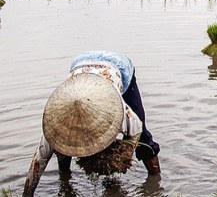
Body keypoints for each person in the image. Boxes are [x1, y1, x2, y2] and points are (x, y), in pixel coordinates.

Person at [23, 51, 161, 196]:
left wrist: (120, 157)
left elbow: (136, 132)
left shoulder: (122, 114)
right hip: (80, 66)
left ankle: (156, 184)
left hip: (118, 66)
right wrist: (27, 194)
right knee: (61, 148)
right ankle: (65, 179)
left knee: (144, 140)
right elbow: (37, 166)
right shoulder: (54, 128)